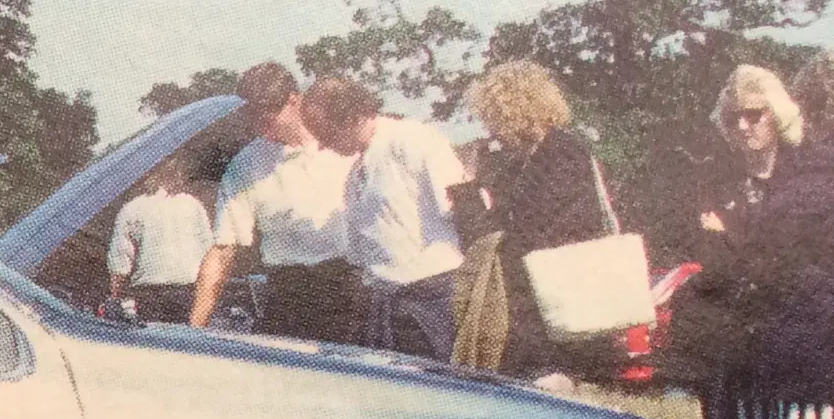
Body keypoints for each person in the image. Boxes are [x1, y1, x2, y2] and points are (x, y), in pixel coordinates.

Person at [675, 65, 834, 419]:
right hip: (745, 360)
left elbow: (793, 261)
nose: (743, 126)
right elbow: (711, 265)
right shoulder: (720, 183)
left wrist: (731, 239)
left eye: (753, 114)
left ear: (777, 114)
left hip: (808, 352)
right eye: (733, 118)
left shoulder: (818, 176)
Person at [460, 61, 613, 384]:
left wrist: (469, 189)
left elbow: (527, 232)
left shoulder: (562, 153)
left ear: (516, 110)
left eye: (493, 117)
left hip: (557, 301)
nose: (491, 129)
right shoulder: (522, 162)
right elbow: (490, 233)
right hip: (537, 305)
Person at [300, 76, 466, 361]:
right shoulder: (353, 175)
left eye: (325, 134)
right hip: (385, 304)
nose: (322, 146)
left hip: (434, 297)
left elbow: (462, 210)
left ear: (351, 116)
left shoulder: (413, 139)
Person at [188, 62, 356, 340]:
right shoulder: (246, 165)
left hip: (351, 289)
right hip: (287, 294)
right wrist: (194, 329)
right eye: (252, 119)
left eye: (266, 119)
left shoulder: (345, 146)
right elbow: (222, 250)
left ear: (293, 100)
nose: (259, 128)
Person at [104, 154, 212, 324]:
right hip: (189, 293)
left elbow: (120, 264)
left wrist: (115, 299)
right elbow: (208, 255)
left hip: (149, 296)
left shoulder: (132, 209)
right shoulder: (193, 206)